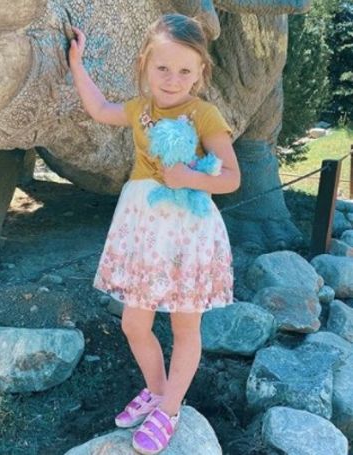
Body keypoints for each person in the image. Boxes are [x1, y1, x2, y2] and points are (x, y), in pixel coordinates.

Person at [69, 13, 240, 455]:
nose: (172, 79)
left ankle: (171, 409)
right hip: (143, 229)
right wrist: (77, 64)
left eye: (184, 70)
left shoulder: (204, 114)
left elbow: (232, 176)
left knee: (185, 326)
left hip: (187, 233)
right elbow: (99, 109)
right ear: (144, 64)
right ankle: (158, 390)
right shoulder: (139, 109)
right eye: (162, 67)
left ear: (200, 73)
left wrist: (189, 178)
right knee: (134, 322)